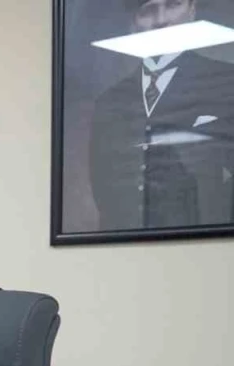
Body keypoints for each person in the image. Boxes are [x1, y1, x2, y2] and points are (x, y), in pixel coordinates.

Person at [89, 0, 234, 230]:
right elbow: (104, 192)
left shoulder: (227, 82)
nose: (161, 20)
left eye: (173, 4)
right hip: (126, 244)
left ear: (192, 10)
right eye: (148, 10)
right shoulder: (109, 102)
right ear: (133, 23)